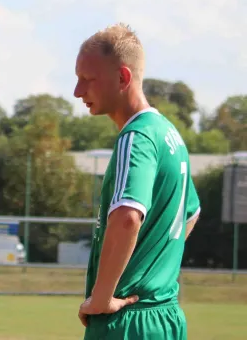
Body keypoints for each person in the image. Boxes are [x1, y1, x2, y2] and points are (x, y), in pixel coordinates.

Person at [73, 23, 201, 340]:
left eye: (87, 79)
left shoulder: (137, 137)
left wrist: (102, 297)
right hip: (166, 317)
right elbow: (192, 212)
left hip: (128, 323)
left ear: (123, 78)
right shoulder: (170, 135)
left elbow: (128, 216)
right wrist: (153, 267)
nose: (77, 91)